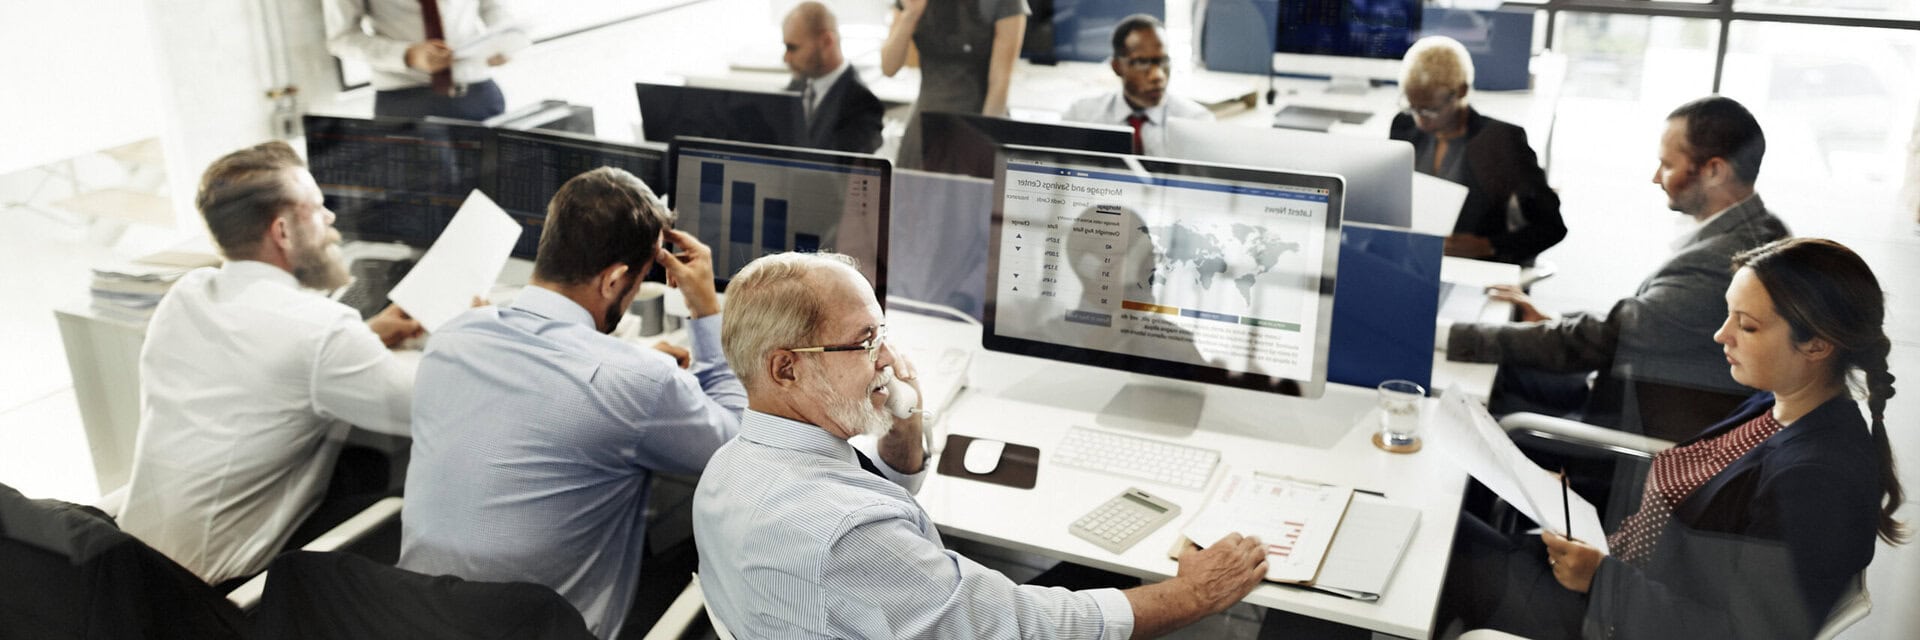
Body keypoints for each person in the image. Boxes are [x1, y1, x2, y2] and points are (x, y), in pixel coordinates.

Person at [694, 251, 1269, 639]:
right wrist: (1192, 595)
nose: (890, 360)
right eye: (865, 342)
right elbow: (1023, 626)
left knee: (1087, 571)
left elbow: (861, 494)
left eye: (883, 333)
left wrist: (903, 417)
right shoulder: (851, 538)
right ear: (787, 368)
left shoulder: (731, 468)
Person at [1443, 237, 1906, 639]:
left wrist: (1602, 580)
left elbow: (1744, 635)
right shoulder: (1778, 405)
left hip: (1607, 621)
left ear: (1817, 345)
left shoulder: (1817, 480)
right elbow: (1697, 507)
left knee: (1441, 544)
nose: (1722, 335)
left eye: (1747, 325)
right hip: (1612, 582)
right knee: (1446, 527)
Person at [398, 167, 744, 639]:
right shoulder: (636, 382)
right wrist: (706, 309)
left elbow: (551, 389)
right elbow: (742, 448)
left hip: (413, 619)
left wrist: (629, 368)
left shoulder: (452, 337)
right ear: (614, 280)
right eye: (641, 279)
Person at [118, 141, 424, 586]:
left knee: (360, 462)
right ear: (282, 231)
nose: (331, 219)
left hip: (135, 570)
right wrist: (470, 332)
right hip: (215, 595)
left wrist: (367, 335)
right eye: (318, 209)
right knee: (411, 485)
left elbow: (260, 363)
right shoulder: (318, 330)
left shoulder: (187, 294)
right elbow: (431, 405)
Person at [1445, 96, 1791, 440]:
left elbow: (1603, 340)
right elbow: (1637, 322)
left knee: (1470, 414)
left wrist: (1450, 335)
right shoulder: (1758, 228)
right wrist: (1553, 321)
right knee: (1499, 374)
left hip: (1629, 423)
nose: (1657, 177)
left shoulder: (1719, 264)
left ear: (1714, 170)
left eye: (1667, 165)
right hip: (1633, 389)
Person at [1390, 36, 1564, 265]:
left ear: (1461, 91)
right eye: (1413, 107)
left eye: (1430, 110)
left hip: (1470, 268)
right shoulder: (1404, 126)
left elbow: (1551, 228)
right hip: (1411, 260)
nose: (1420, 120)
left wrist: (1486, 246)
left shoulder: (1501, 141)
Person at [883, 0, 1030, 168]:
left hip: (976, 123)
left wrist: (984, 146)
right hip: (924, 126)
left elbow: (1000, 81)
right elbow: (889, 67)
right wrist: (910, 16)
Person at [323, 0, 517, 120]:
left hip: (478, 90)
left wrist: (503, 40)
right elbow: (341, 38)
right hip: (406, 102)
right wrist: (407, 55)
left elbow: (494, 7)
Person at [1061, 14, 1214, 156]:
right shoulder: (1080, 117)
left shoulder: (1197, 122)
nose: (1158, 76)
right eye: (1142, 62)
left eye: (1163, 61)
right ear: (1117, 67)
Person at [783, 1, 885, 154]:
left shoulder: (862, 104)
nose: (786, 58)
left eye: (793, 48)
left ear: (826, 41)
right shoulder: (796, 88)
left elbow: (840, 168)